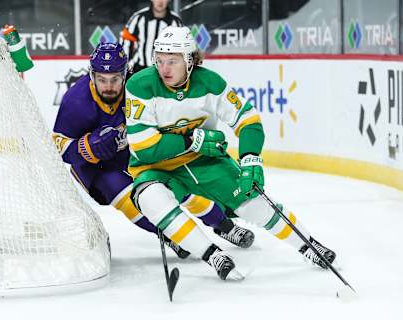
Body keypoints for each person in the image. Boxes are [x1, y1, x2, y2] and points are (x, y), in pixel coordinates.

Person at [124, 26, 337, 280]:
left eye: (172, 61)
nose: (164, 69)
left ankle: (309, 245)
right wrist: (194, 139)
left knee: (250, 202)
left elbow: (248, 120)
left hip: (203, 161)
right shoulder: (140, 85)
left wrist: (251, 160)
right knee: (152, 199)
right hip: (155, 168)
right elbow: (146, 148)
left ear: (189, 61)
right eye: (159, 61)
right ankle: (213, 255)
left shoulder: (211, 83)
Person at [52, 42, 254, 260]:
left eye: (115, 80)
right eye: (101, 79)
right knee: (127, 198)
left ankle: (224, 226)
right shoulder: (76, 101)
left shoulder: (139, 88)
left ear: (125, 74)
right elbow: (59, 145)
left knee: (176, 186)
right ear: (91, 75)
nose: (108, 86)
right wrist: (88, 147)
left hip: (136, 152)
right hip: (96, 167)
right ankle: (170, 236)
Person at [121, 0, 182, 74]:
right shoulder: (138, 17)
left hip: (165, 72)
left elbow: (181, 48)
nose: (160, 1)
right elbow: (126, 41)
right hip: (140, 69)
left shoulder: (176, 21)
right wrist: (125, 65)